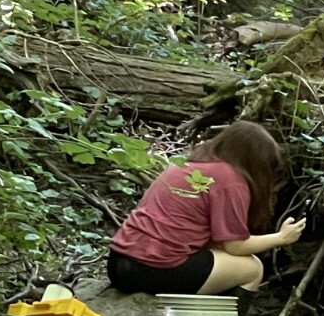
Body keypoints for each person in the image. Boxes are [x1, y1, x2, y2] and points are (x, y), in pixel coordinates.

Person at [107, 121, 305, 296]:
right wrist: (281, 238)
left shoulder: (186, 164)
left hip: (118, 263)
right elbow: (235, 247)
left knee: (218, 257)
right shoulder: (230, 179)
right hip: (153, 269)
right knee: (251, 268)